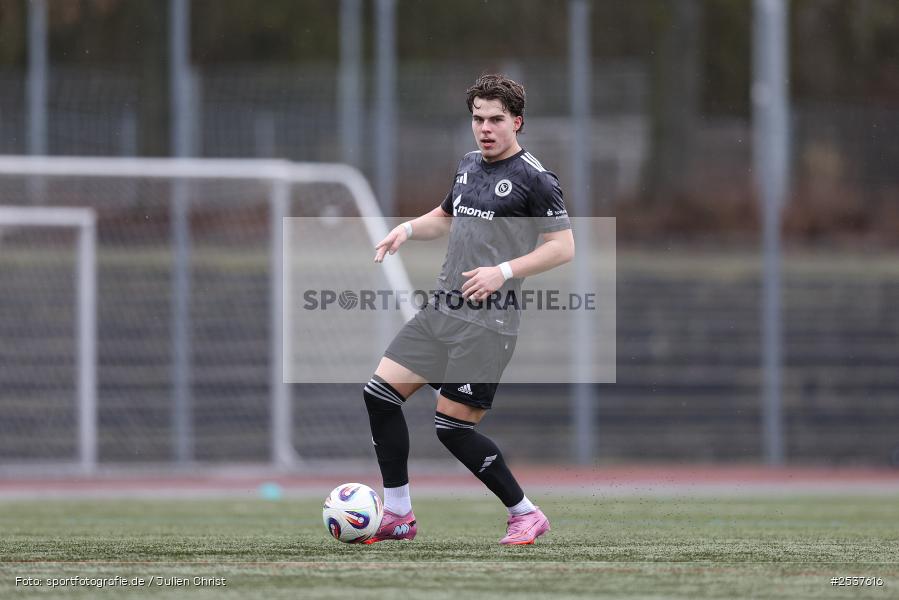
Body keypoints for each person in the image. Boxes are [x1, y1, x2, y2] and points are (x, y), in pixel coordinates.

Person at [363, 74, 574, 545]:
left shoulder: (536, 179)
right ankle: (398, 514)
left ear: (517, 121)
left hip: (488, 323)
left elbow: (562, 247)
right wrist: (406, 230)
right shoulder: (468, 164)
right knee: (379, 395)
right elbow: (445, 217)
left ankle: (526, 513)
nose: (485, 128)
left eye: (496, 119)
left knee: (452, 428)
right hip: (442, 311)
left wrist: (503, 271)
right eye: (478, 119)